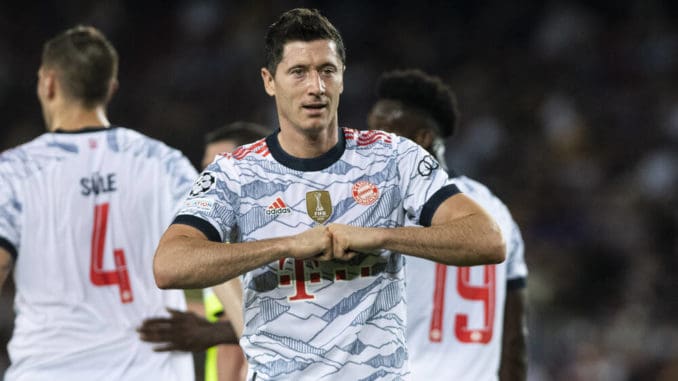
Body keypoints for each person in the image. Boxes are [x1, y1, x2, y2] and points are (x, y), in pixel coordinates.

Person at [152, 8, 505, 380]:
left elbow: (488, 239)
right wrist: (286, 245)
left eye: (327, 70)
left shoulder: (393, 158)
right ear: (269, 81)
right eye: (299, 72)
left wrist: (381, 236)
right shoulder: (234, 173)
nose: (315, 87)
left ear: (342, 77)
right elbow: (169, 263)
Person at [0, 26, 195, 380]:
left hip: (49, 370)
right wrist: (229, 330)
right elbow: (214, 257)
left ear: (48, 83)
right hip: (152, 371)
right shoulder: (165, 163)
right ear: (111, 88)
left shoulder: (14, 172)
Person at [367, 68, 529, 380]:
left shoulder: (384, 207)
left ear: (423, 138)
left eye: (384, 133)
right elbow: (514, 340)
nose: (371, 144)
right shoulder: (495, 210)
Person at [139, 122, 271, 381]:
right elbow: (228, 315)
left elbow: (295, 321)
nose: (208, 180)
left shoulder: (274, 240)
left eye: (218, 167)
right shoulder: (219, 242)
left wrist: (214, 332)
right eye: (206, 169)